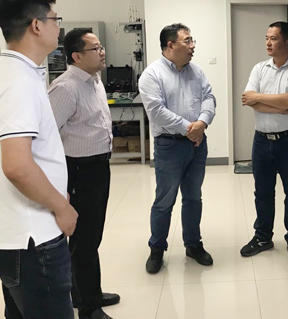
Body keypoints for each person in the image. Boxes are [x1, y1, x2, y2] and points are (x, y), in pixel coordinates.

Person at [0, 0, 78, 319]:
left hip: (15, 236)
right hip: (33, 240)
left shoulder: (11, 73)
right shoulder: (18, 82)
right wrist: (62, 207)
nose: (58, 27)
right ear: (36, 25)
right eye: (55, 19)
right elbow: (17, 166)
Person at [48, 29, 120, 319]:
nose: (102, 52)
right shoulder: (66, 88)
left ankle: (85, 293)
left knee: (91, 236)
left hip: (99, 167)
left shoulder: (95, 81)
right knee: (84, 240)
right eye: (95, 48)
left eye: (101, 47)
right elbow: (46, 136)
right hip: (78, 171)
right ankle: (89, 308)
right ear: (76, 56)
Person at [139, 23, 216, 274]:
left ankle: (193, 244)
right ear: (170, 45)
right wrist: (189, 129)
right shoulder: (152, 74)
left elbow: (209, 97)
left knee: (193, 198)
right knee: (165, 200)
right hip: (169, 145)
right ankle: (157, 249)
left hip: (197, 144)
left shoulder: (196, 71)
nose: (193, 46)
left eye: (193, 41)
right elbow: (157, 112)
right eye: (188, 41)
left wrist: (202, 123)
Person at [240, 21, 288, 264]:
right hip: (261, 141)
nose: (268, 43)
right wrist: (280, 107)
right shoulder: (260, 69)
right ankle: (263, 237)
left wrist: (262, 99)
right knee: (262, 192)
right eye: (266, 38)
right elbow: (248, 100)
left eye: (273, 38)